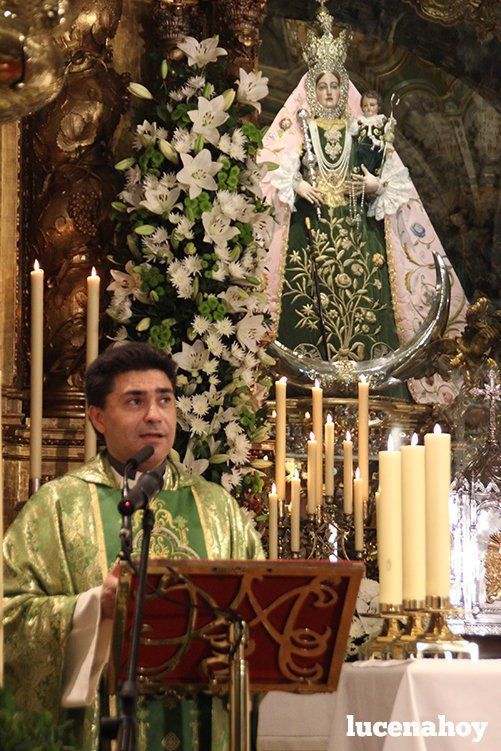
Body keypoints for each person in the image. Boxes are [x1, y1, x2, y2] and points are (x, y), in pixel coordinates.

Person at [3, 341, 263, 751]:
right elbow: (9, 618)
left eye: (165, 400)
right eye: (135, 401)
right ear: (99, 418)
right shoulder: (55, 508)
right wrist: (91, 608)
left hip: (203, 722)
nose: (155, 415)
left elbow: (261, 613)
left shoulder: (217, 509)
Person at [260, 4, 468, 404]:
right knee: (300, 311)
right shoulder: (300, 126)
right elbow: (276, 166)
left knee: (372, 309)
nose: (329, 93)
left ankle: (376, 392)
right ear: (311, 91)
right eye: (321, 87)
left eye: (335, 87)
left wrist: (375, 184)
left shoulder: (363, 130)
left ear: (343, 89)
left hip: (360, 232)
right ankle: (300, 393)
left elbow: (395, 183)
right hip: (311, 230)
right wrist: (299, 184)